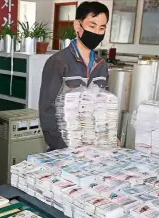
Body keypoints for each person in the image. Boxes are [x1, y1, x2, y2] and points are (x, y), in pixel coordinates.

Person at [39, 1, 110, 151]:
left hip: (92, 148)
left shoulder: (102, 65)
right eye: (92, 26)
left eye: (101, 28)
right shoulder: (58, 62)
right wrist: (63, 147)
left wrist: (107, 136)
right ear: (78, 25)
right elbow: (47, 112)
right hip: (63, 148)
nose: (97, 32)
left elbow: (103, 106)